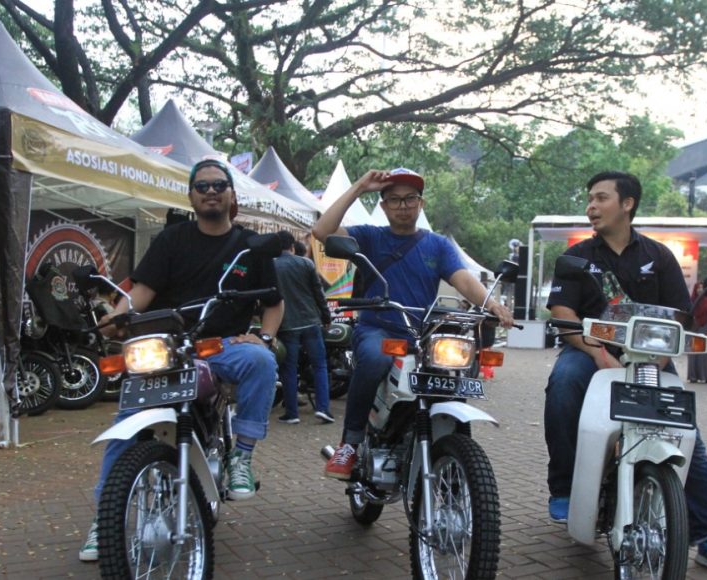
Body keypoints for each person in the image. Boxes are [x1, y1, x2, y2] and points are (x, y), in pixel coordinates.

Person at [79, 159, 283, 562]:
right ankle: (105, 519)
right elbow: (142, 291)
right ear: (191, 196)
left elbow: (274, 304)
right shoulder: (172, 239)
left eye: (219, 184)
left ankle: (241, 455)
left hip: (223, 344)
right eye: (202, 186)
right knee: (126, 423)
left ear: (231, 194)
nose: (211, 191)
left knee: (261, 361)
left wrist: (264, 337)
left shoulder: (251, 245)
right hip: (169, 344)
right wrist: (117, 317)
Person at [544, 171, 707, 577]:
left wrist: (655, 362)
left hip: (650, 359)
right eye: (589, 199)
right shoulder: (577, 256)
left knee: (688, 435)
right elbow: (563, 312)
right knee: (563, 384)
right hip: (589, 351)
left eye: (601, 198)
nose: (591, 206)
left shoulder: (660, 256)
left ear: (628, 203)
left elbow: (679, 316)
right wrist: (598, 353)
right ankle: (564, 487)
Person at [311, 168, 514, 480]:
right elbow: (321, 231)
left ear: (421, 203)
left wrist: (492, 305)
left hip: (421, 335)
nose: (403, 206)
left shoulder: (438, 245)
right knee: (375, 357)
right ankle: (350, 442)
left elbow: (462, 279)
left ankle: (453, 455)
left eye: (410, 199)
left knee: (454, 370)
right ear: (383, 206)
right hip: (377, 328)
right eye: (394, 200)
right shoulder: (370, 237)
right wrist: (360, 186)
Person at [274, 229, 334, 424]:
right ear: (292, 246)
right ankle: (323, 409)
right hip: (311, 321)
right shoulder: (306, 264)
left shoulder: (271, 266)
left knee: (289, 369)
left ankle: (292, 413)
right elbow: (319, 293)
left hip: (286, 325)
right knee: (320, 365)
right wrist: (326, 316)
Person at [687, 282, 707, 383]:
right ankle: (693, 376)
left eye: (702, 288)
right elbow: (688, 315)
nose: (700, 290)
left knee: (705, 353)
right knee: (694, 353)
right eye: (698, 288)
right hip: (694, 329)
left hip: (705, 328)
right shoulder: (691, 301)